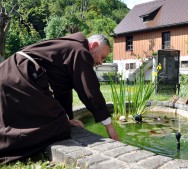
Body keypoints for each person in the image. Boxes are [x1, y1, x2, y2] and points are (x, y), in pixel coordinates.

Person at [0, 32, 119, 164]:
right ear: (94, 45)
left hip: (8, 72)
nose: (101, 63)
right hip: (20, 75)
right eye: (102, 57)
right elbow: (90, 89)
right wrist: (109, 125)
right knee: (58, 127)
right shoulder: (80, 51)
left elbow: (63, 89)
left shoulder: (71, 46)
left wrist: (69, 118)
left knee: (12, 121)